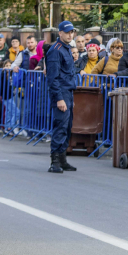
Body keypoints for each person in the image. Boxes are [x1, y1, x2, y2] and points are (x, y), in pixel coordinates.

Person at [45, 21, 79, 174]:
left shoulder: (67, 49)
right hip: (61, 93)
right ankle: (55, 161)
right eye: (67, 32)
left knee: (67, 127)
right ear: (60, 33)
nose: (70, 35)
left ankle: (63, 159)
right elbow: (53, 78)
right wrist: (59, 98)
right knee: (60, 126)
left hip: (68, 93)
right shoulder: (56, 50)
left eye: (72, 32)